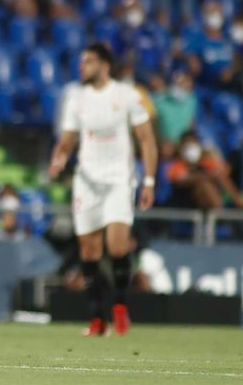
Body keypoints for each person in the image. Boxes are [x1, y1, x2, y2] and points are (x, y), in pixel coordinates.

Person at [48, 43, 158, 337]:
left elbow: (146, 139)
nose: (83, 66)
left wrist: (148, 180)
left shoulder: (128, 96)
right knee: (89, 250)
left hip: (119, 180)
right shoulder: (77, 98)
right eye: (82, 61)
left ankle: (120, 305)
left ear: (105, 65)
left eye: (89, 61)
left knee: (118, 245)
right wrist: (59, 158)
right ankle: (97, 318)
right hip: (87, 181)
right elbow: (69, 138)